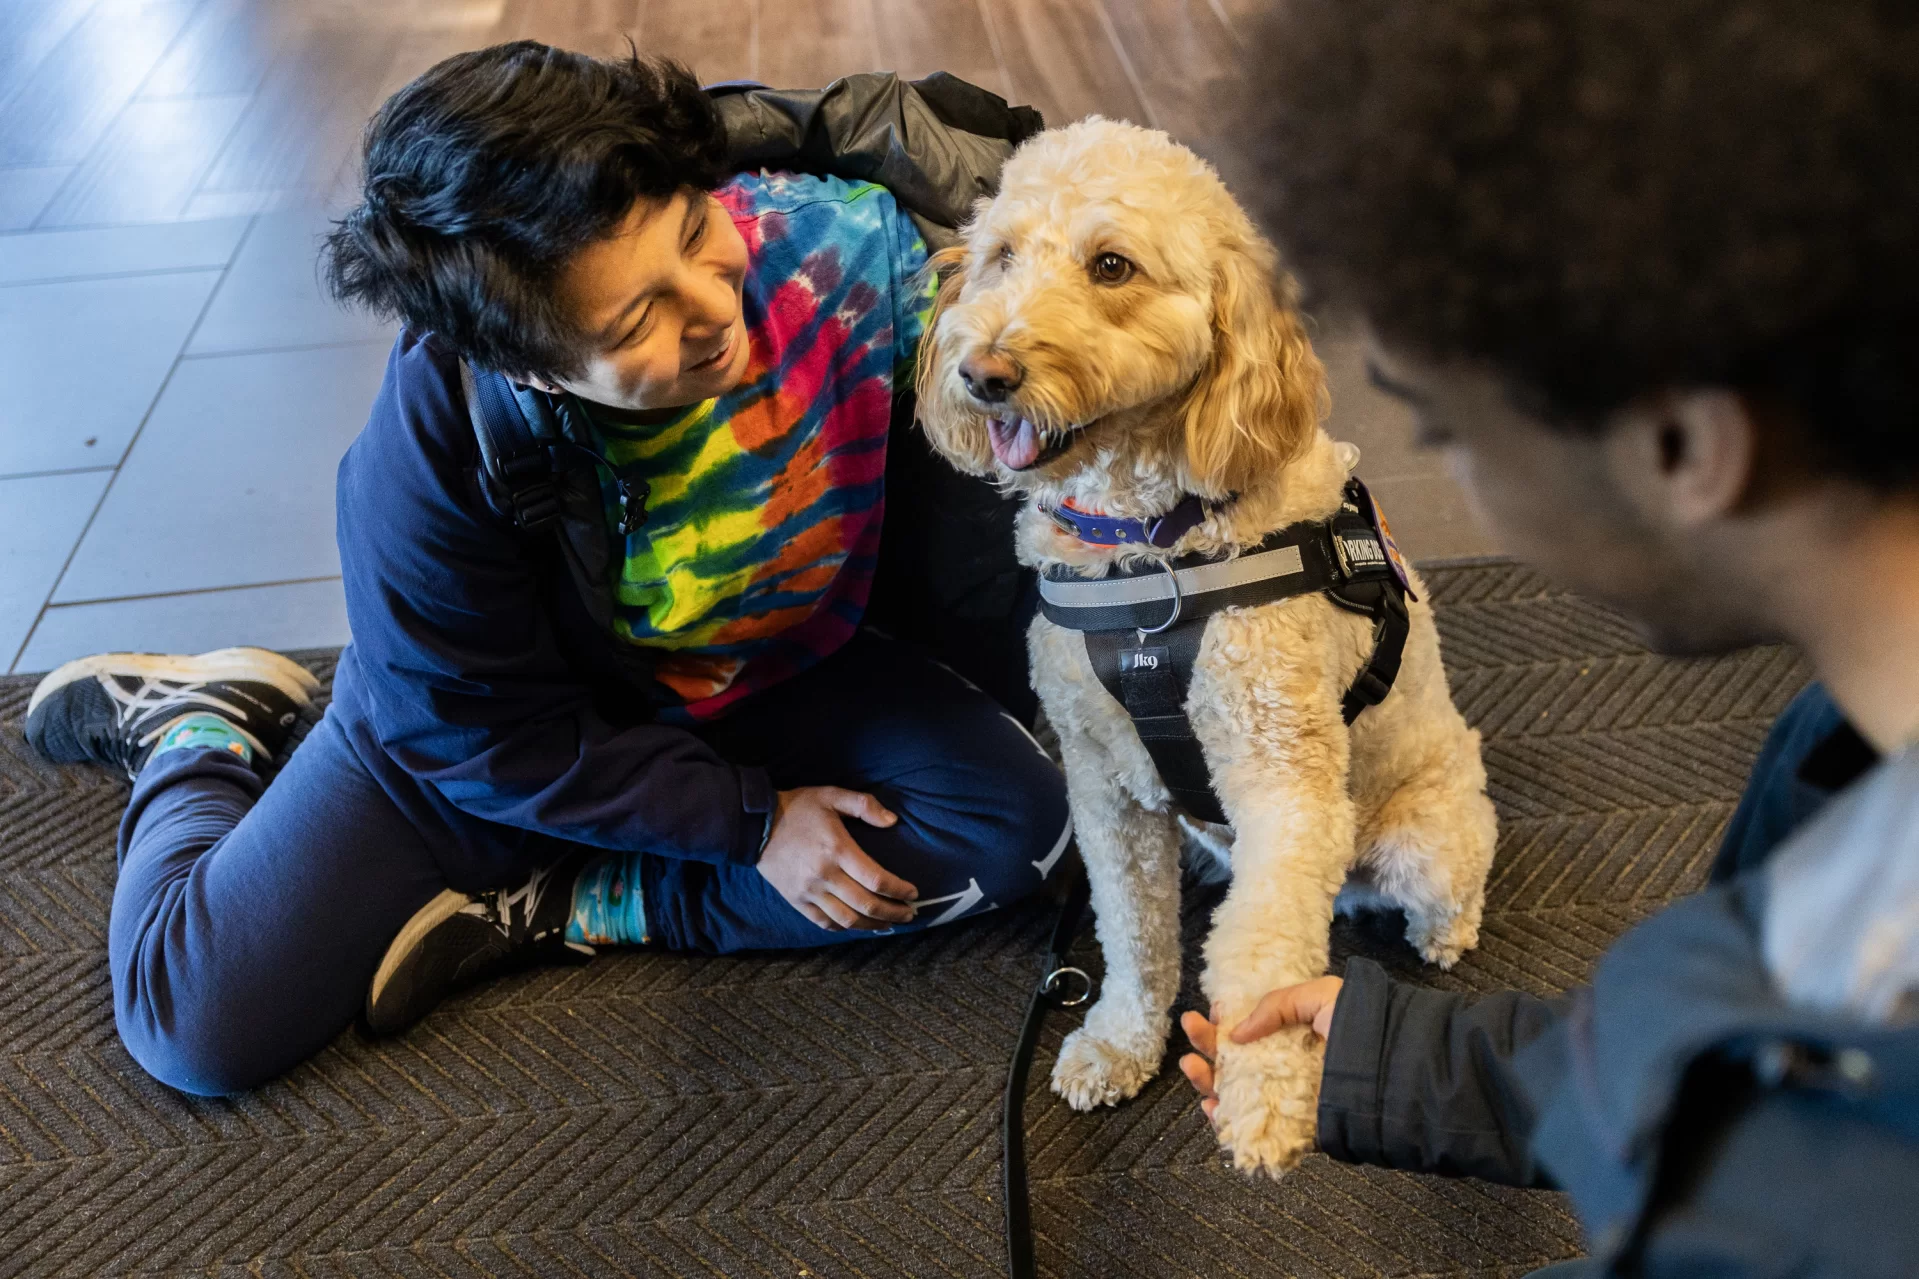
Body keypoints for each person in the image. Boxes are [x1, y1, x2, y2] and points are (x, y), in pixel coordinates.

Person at [24, 44, 1070, 1097]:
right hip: (512, 729)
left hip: (770, 666)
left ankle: (568, 902)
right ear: (526, 363)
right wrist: (749, 825)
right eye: (636, 322)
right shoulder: (430, 457)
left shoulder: (845, 245)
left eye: (695, 232)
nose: (713, 309)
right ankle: (193, 722)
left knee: (1016, 827)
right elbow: (473, 735)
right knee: (194, 1024)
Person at [1179, 2, 1919, 1274]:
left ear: (1683, 446)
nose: (1465, 491)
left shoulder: (1807, 1218)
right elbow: (1728, 1065)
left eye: (1450, 432)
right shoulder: (1844, 745)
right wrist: (1422, 1065)